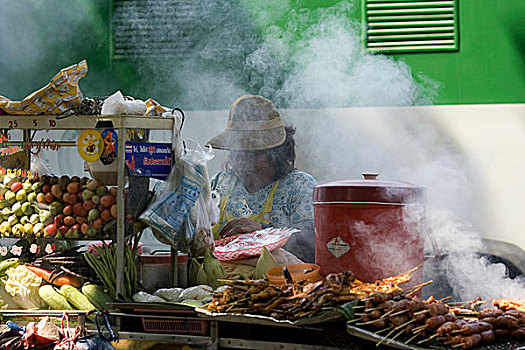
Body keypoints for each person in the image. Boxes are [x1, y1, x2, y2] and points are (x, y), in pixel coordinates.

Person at [206, 94, 317, 263]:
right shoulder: (218, 184)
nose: (242, 161)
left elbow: (315, 243)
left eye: (254, 153)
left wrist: (263, 232)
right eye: (236, 152)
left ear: (277, 155)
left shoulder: (300, 187)